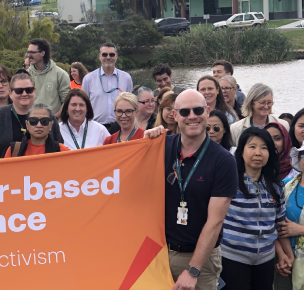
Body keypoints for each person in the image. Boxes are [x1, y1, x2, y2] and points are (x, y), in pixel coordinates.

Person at [143, 90, 238, 290]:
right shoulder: (160, 147)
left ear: (207, 111)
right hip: (157, 254)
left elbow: (215, 222)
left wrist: (193, 270)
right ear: (175, 116)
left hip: (199, 260)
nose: (192, 116)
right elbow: (133, 184)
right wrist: (143, 144)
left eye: (197, 110)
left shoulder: (224, 161)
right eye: (185, 112)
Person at [220, 127, 292, 290]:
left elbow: (279, 224)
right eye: (252, 146)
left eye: (264, 147)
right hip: (232, 257)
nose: (258, 153)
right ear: (241, 151)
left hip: (265, 259)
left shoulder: (275, 184)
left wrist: (286, 255)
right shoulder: (229, 181)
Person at [0, 72, 63, 158]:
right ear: (10, 93)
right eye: (19, 91)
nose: (24, 94)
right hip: (6, 170)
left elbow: (58, 148)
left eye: (29, 90)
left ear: (34, 91)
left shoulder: (48, 117)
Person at [276, 136, 304, 290]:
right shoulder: (285, 185)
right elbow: (273, 222)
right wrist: (282, 255)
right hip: (284, 259)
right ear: (298, 160)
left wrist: (299, 230)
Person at [82, 42, 134, 132]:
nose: (108, 57)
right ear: (99, 56)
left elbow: (131, 104)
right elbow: (83, 104)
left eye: (112, 55)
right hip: (96, 127)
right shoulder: (88, 79)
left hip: (121, 127)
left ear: (116, 56)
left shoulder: (126, 78)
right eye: (105, 54)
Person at [5, 103, 70, 157]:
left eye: (44, 121)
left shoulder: (62, 151)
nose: (39, 125)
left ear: (51, 125)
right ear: (27, 124)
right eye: (33, 121)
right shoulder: (14, 150)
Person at [26, 38, 70, 115]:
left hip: (54, 123)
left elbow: (67, 101)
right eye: (28, 52)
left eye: (32, 52)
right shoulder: (26, 75)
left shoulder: (60, 74)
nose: (29, 55)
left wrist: (54, 119)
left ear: (42, 53)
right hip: (32, 123)